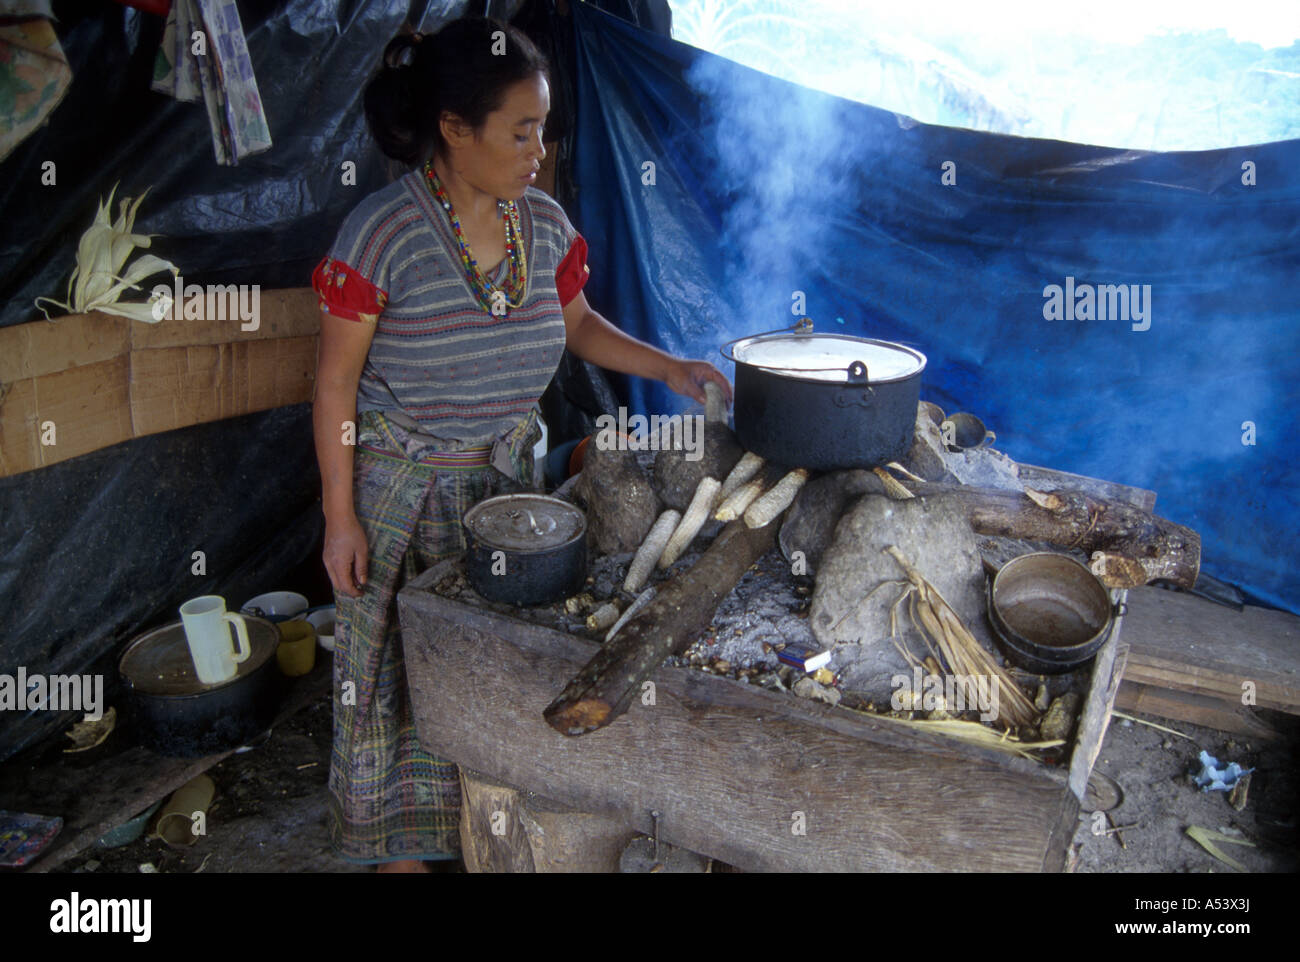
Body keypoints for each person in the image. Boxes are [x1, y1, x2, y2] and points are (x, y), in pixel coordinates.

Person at [310, 16, 730, 872]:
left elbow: (575, 325)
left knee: (490, 671)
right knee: (394, 680)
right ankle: (399, 857)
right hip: (402, 499)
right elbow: (333, 386)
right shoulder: (380, 237)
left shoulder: (542, 225)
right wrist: (338, 517)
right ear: (455, 130)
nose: (540, 147)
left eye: (544, 127)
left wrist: (674, 367)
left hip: (507, 495)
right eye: (522, 129)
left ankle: (488, 837)